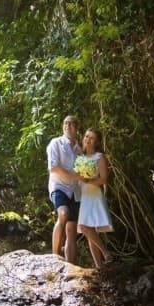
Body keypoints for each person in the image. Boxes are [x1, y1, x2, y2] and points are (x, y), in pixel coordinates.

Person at [47, 114, 82, 264]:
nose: (68, 126)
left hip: (75, 191)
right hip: (59, 186)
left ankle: (71, 267)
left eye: (71, 124)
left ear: (77, 128)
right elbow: (53, 167)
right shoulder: (55, 143)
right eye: (65, 123)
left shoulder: (79, 149)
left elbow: (83, 173)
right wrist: (71, 175)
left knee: (72, 230)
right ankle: (55, 258)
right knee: (63, 213)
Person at [76, 127, 113, 267]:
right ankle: (99, 266)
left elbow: (103, 179)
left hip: (94, 193)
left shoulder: (99, 157)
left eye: (91, 138)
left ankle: (106, 253)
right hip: (84, 195)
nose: (88, 140)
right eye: (86, 136)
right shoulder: (79, 158)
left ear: (96, 142)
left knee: (84, 227)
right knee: (90, 231)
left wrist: (88, 180)